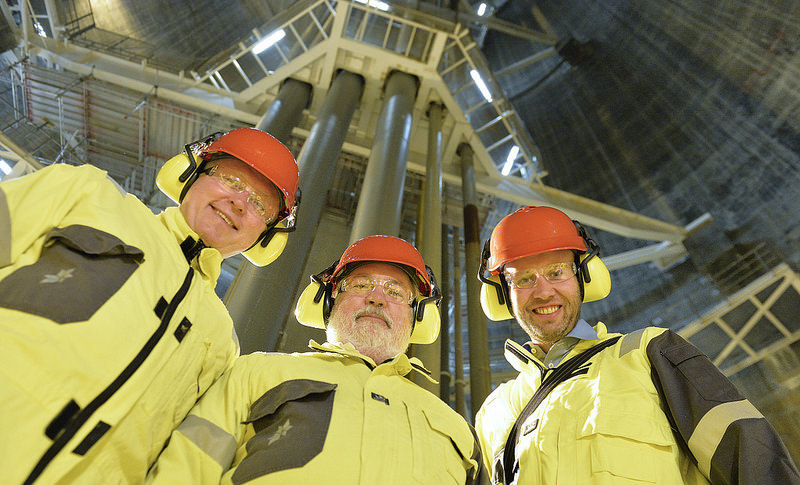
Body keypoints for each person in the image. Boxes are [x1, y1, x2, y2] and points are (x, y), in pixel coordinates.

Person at [0, 127, 300, 484]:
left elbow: (185, 461)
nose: (239, 202)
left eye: (259, 204)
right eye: (231, 179)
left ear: (265, 235)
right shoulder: (87, 195)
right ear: (190, 174)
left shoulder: (222, 345)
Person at [474, 206, 800, 485]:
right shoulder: (493, 412)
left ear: (584, 276)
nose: (543, 291)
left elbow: (755, 461)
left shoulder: (648, 352)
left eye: (557, 272)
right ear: (502, 295)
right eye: (524, 278)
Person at [147, 235, 488, 484]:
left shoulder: (457, 429)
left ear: (418, 318)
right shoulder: (256, 374)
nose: (377, 298)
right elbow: (187, 467)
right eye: (360, 285)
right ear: (328, 303)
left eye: (396, 292)